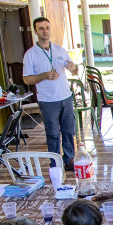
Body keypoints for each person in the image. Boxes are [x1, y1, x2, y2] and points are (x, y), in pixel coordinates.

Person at [22, 17, 78, 171]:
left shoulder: (60, 50)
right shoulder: (31, 54)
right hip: (48, 101)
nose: (45, 31)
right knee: (53, 134)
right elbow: (26, 79)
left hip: (65, 97)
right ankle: (55, 164)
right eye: (41, 28)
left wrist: (74, 67)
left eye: (47, 27)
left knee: (68, 131)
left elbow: (74, 69)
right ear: (35, 31)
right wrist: (44, 76)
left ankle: (69, 160)